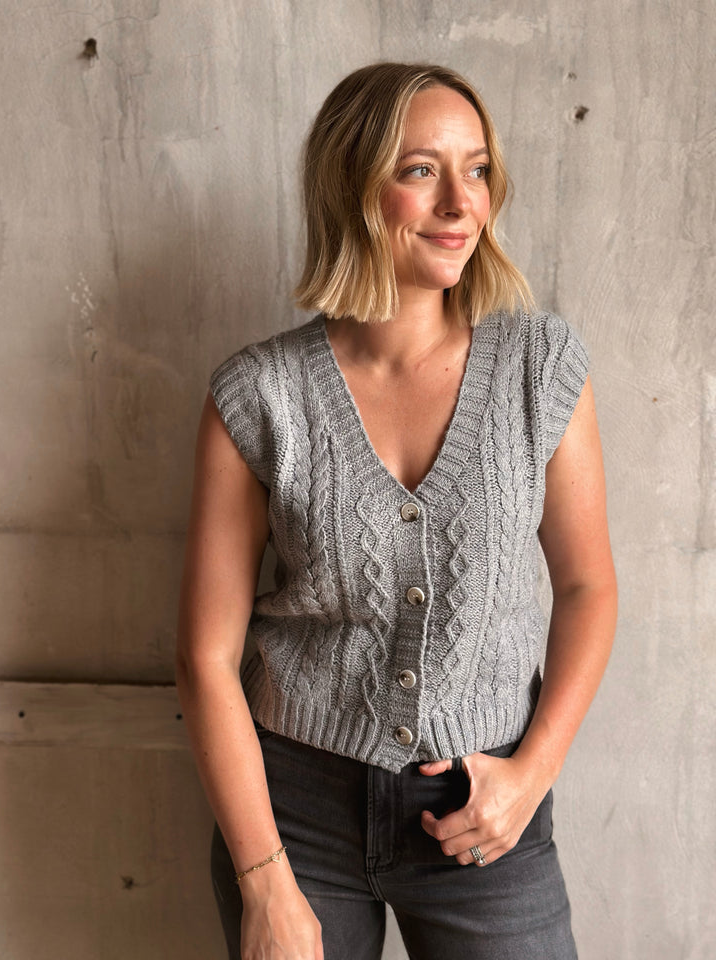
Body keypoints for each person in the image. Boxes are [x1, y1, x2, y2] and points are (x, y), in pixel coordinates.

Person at [176, 62, 617, 960]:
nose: (462, 202)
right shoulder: (260, 395)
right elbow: (204, 656)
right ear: (353, 187)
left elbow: (587, 586)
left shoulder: (539, 368)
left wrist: (531, 775)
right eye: (421, 170)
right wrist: (264, 880)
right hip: (292, 817)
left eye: (479, 169)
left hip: (484, 809)